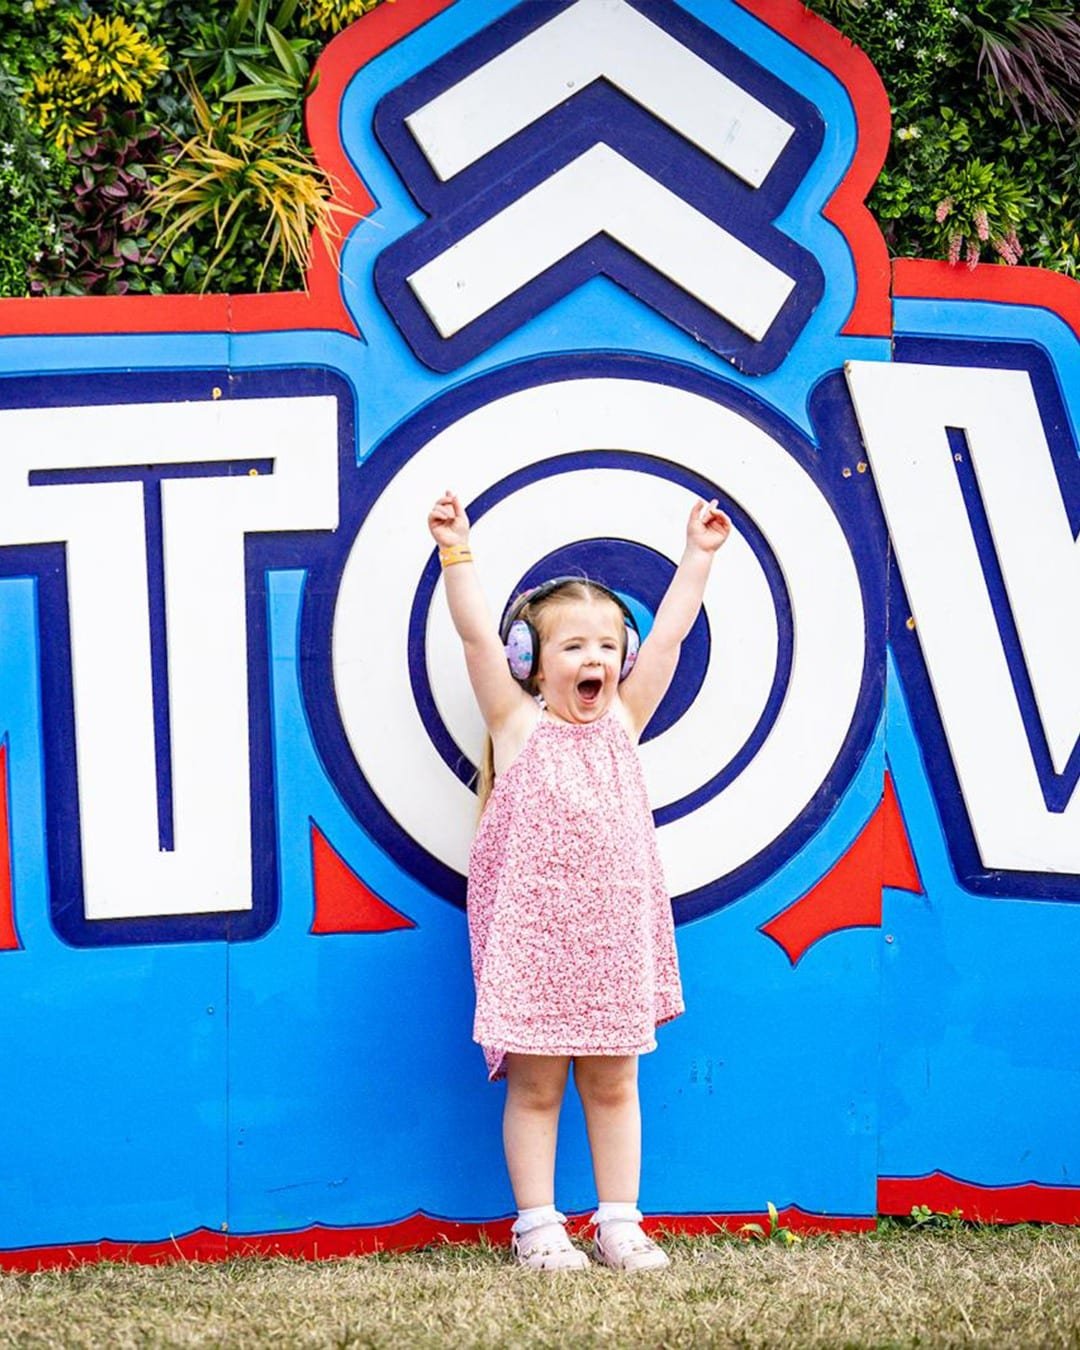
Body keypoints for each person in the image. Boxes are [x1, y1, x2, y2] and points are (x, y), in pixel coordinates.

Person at [427, 489, 731, 1272]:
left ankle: (619, 1222)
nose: (593, 659)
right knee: (535, 1091)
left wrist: (697, 555)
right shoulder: (518, 726)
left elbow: (670, 636)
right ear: (529, 662)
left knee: (615, 1084)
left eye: (605, 646)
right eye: (572, 647)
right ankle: (537, 1226)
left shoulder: (624, 722)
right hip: (536, 952)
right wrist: (456, 550)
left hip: (612, 949)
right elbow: (474, 636)